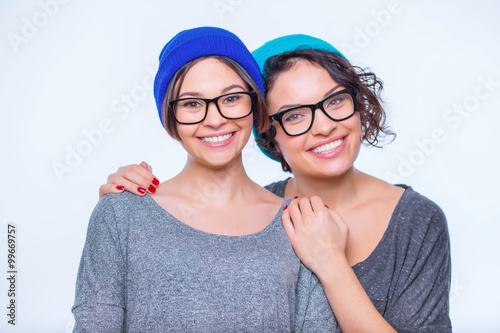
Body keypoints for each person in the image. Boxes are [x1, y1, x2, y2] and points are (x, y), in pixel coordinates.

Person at [99, 34, 452, 333]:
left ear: (357, 104)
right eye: (295, 115)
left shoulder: (417, 221)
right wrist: (130, 209)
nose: (324, 126)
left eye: (335, 101)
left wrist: (329, 262)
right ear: (269, 133)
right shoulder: (259, 216)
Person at [72, 27, 336, 332]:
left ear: (254, 104)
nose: (214, 119)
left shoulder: (299, 223)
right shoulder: (120, 215)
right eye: (192, 104)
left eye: (232, 98)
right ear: (170, 117)